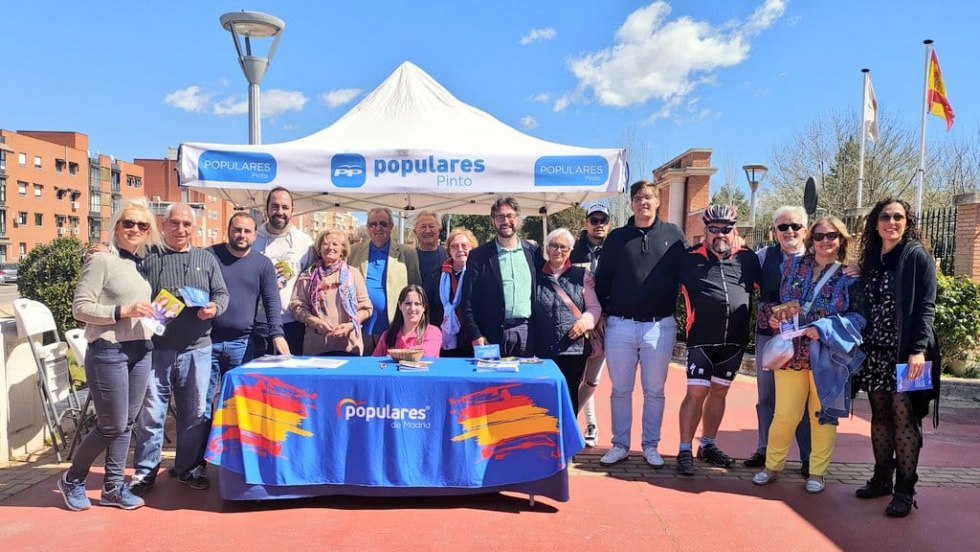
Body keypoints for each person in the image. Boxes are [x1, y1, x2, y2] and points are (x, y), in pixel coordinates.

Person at [57, 199, 161, 511]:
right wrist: (122, 310)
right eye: (128, 223)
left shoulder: (135, 264)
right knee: (112, 425)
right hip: (109, 351)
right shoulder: (102, 260)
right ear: (116, 226)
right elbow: (80, 308)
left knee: (127, 423)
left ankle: (113, 488)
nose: (135, 229)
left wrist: (154, 316)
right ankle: (72, 479)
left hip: (141, 349)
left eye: (142, 226)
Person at [753, 216, 864, 494]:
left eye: (831, 236)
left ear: (841, 240)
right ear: (810, 239)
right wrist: (773, 319)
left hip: (828, 356)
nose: (825, 241)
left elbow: (859, 318)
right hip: (791, 354)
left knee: (823, 415)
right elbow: (774, 302)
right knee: (785, 414)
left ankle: (817, 472)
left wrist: (822, 328)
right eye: (819, 236)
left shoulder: (849, 276)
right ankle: (772, 466)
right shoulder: (792, 266)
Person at [130, 203, 229, 496]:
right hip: (155, 349)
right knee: (151, 414)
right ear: (164, 225)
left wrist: (214, 308)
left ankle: (187, 468)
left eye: (186, 224)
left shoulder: (206, 259)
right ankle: (145, 473)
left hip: (197, 349)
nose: (180, 229)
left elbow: (222, 294)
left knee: (195, 414)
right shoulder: (148, 258)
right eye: (174, 223)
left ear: (194, 228)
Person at [854, 197, 940, 518]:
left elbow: (926, 307)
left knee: (905, 417)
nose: (892, 222)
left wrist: (918, 350)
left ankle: (905, 490)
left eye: (898, 217)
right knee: (880, 414)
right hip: (875, 350)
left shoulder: (916, 256)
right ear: (876, 223)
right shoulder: (872, 258)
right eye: (885, 217)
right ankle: (881, 478)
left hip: (908, 353)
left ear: (907, 221)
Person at [594, 181, 687, 467]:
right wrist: (601, 313)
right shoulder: (617, 238)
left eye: (648, 197)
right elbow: (603, 280)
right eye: (637, 198)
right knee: (620, 389)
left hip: (660, 326)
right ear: (631, 203)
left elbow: (689, 273)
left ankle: (650, 446)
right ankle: (620, 444)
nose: (642, 202)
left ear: (658, 201)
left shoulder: (673, 234)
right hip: (620, 325)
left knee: (655, 391)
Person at [674, 205, 761, 475]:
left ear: (734, 230)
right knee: (696, 392)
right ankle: (685, 449)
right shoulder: (687, 259)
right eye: (714, 229)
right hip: (701, 338)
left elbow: (775, 285)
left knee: (720, 392)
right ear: (705, 230)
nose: (719, 234)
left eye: (726, 229)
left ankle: (708, 445)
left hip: (734, 341)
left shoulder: (748, 259)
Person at [744, 206, 813, 476]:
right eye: (783, 227)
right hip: (769, 337)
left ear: (805, 231)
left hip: (804, 340)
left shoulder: (816, 258)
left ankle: (808, 457)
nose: (789, 231)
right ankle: (764, 448)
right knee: (767, 397)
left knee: (803, 400)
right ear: (774, 232)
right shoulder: (763, 257)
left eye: (795, 226)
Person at [204, 212, 286, 419]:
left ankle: (233, 450)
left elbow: (271, 301)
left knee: (239, 404)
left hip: (242, 344)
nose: (241, 234)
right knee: (202, 405)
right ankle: (203, 450)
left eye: (247, 231)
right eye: (237, 229)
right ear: (228, 231)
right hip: (206, 342)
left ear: (255, 235)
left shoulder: (263, 264)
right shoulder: (209, 256)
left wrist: (278, 335)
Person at [461, 197, 541, 357]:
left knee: (525, 381)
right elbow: (467, 300)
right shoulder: (478, 256)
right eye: (500, 217)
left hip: (527, 331)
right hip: (490, 335)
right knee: (492, 382)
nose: (506, 221)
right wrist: (475, 334)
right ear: (493, 221)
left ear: (517, 219)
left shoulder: (534, 253)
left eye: (510, 216)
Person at [532, 228, 601, 414]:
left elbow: (594, 307)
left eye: (563, 247)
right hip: (542, 347)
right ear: (547, 248)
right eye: (554, 246)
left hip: (573, 349)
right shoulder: (534, 276)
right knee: (543, 397)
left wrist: (584, 323)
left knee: (570, 395)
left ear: (570, 250)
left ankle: (568, 441)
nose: (558, 251)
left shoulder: (582, 276)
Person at [348, 207, 423, 355]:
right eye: (373, 224)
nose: (378, 228)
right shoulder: (353, 251)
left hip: (393, 327)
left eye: (383, 224)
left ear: (391, 226)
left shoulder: (407, 254)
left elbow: (416, 291)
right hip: (361, 326)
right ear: (368, 227)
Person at [251, 187, 315, 357]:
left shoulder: (305, 241)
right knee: (259, 381)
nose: (280, 212)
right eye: (275, 206)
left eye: (285, 207)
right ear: (266, 209)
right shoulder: (252, 238)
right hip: (258, 324)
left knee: (290, 381)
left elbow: (312, 281)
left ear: (292, 211)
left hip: (293, 323)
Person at [291, 229, 373, 356]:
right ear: (319, 248)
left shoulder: (353, 274)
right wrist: (316, 322)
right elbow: (297, 306)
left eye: (335, 244)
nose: (330, 247)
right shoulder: (307, 276)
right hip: (317, 346)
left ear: (343, 249)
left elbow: (366, 308)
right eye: (326, 244)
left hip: (349, 345)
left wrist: (350, 325)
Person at [571, 202, 610, 447]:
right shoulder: (573, 251)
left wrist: (606, 313)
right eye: (593, 220)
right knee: (577, 376)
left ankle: (591, 423)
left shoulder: (616, 250)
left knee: (593, 379)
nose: (598, 225)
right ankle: (578, 421)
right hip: (578, 323)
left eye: (602, 220)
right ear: (586, 223)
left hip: (606, 323)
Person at [424, 227, 478, 357]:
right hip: (442, 337)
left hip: (473, 338)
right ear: (449, 250)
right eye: (454, 246)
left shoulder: (480, 274)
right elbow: (428, 306)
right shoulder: (435, 275)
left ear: (473, 248)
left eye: (464, 245)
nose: (460, 250)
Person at [373, 284, 442, 357]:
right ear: (400, 305)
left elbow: (426, 353)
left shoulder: (433, 332)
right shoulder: (387, 336)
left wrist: (397, 354)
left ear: (424, 307)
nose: (412, 308)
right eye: (408, 304)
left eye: (417, 304)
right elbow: (374, 363)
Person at [413, 211, 448, 286]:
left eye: (431, 226)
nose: (428, 231)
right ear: (415, 231)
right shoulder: (409, 258)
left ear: (439, 229)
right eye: (423, 227)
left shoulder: (448, 256)